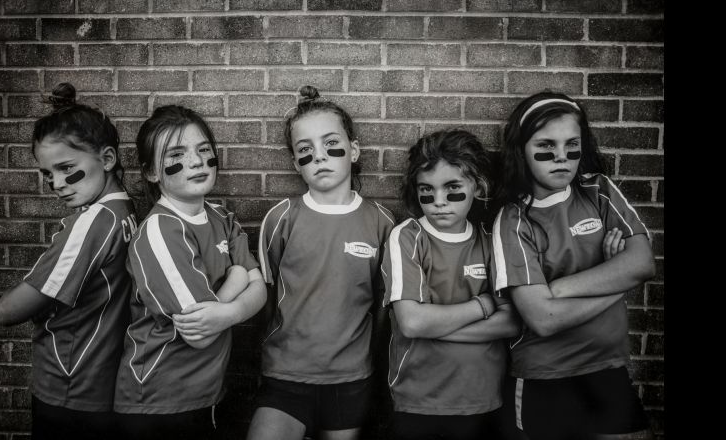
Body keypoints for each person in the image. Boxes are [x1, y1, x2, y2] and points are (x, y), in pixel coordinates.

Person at [492, 91, 656, 440]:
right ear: (521, 149)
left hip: (607, 368)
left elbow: (642, 262)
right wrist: (617, 279)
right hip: (545, 377)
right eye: (546, 146)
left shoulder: (600, 191)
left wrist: (560, 288)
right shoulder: (513, 220)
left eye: (572, 145)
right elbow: (543, 318)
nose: (561, 158)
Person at [246, 86, 395, 440]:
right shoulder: (281, 218)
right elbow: (264, 298)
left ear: (354, 150)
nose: (320, 157)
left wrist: (365, 361)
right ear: (295, 162)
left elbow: (383, 308)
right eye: (305, 150)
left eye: (331, 144)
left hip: (350, 379)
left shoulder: (382, 222)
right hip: (285, 376)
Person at [112, 105, 266, 439]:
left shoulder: (222, 217)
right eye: (177, 154)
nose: (196, 161)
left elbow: (261, 289)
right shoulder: (160, 231)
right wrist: (237, 279)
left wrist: (232, 307)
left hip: (205, 395)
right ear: (152, 172)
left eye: (203, 150)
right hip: (159, 402)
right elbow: (200, 334)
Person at [0, 82, 137, 439]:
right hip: (102, 382)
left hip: (69, 385)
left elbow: (8, 312)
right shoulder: (126, 208)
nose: (57, 183)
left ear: (107, 159)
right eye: (47, 174)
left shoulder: (90, 223)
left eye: (66, 168)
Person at [381, 128, 520, 440]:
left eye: (452, 188)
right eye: (426, 191)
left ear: (477, 185)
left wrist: (439, 327)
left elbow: (512, 321)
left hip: (485, 398)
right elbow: (413, 323)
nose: (438, 202)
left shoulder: (490, 238)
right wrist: (483, 305)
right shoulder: (408, 237)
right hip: (421, 401)